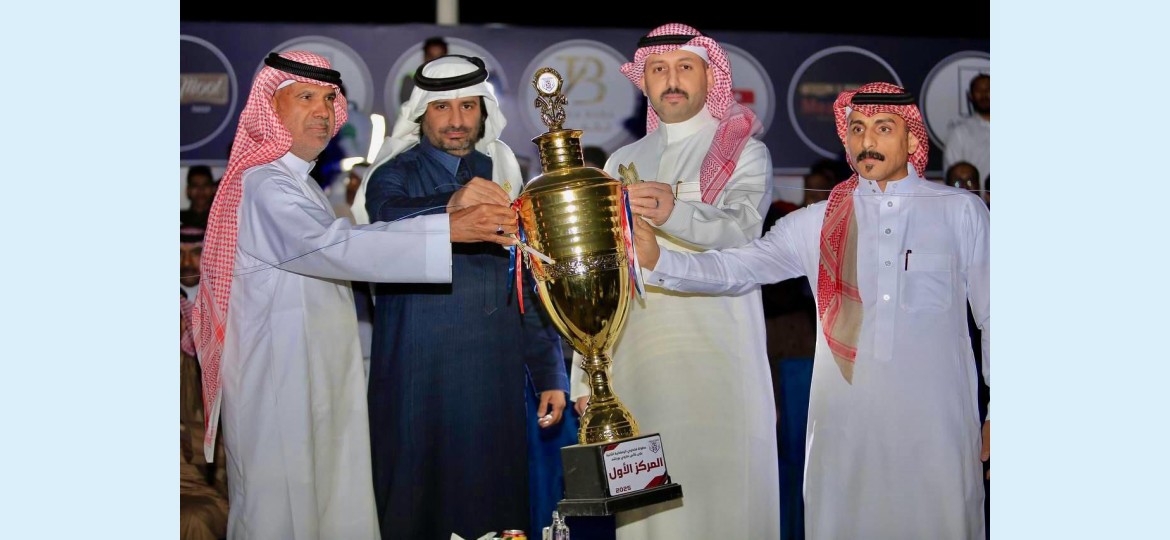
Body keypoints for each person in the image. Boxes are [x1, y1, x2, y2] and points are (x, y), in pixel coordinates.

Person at [630, 82, 990, 539]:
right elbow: (738, 267)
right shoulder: (818, 222)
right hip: (845, 429)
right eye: (856, 129)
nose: (867, 140)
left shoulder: (960, 211)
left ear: (913, 141)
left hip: (937, 425)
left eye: (883, 128)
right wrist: (660, 261)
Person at [191, 50, 519, 540]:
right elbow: (331, 248)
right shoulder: (263, 185)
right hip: (279, 378)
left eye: (329, 99)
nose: (322, 111)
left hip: (313, 373)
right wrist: (447, 228)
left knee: (323, 507)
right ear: (270, 109)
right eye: (305, 98)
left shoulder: (297, 184)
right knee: (278, 514)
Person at [569, 23, 779, 539]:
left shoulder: (742, 150)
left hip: (717, 357)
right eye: (658, 70)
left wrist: (674, 212)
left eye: (685, 67)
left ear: (710, 77)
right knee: (647, 514)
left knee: (719, 502)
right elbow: (601, 271)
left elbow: (743, 231)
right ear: (643, 82)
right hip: (636, 360)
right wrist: (585, 376)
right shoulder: (621, 161)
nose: (672, 80)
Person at [352, 54, 568, 540]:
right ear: (421, 113)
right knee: (417, 510)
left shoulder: (503, 176)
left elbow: (527, 278)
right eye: (442, 108)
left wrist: (550, 371)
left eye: (468, 106)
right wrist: (453, 203)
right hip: (418, 379)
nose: (456, 120)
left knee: (495, 510)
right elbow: (386, 214)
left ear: (483, 111)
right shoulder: (394, 173)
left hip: (495, 380)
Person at [942, 74, 990, 189]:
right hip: (977, 199)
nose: (984, 94)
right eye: (978, 90)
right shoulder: (960, 132)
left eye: (988, 89)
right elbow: (953, 178)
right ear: (970, 96)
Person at [398, 36, 449, 105]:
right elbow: (407, 107)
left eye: (439, 56)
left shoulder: (456, 78)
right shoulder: (410, 79)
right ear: (424, 57)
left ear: (446, 56)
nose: (435, 61)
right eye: (431, 56)